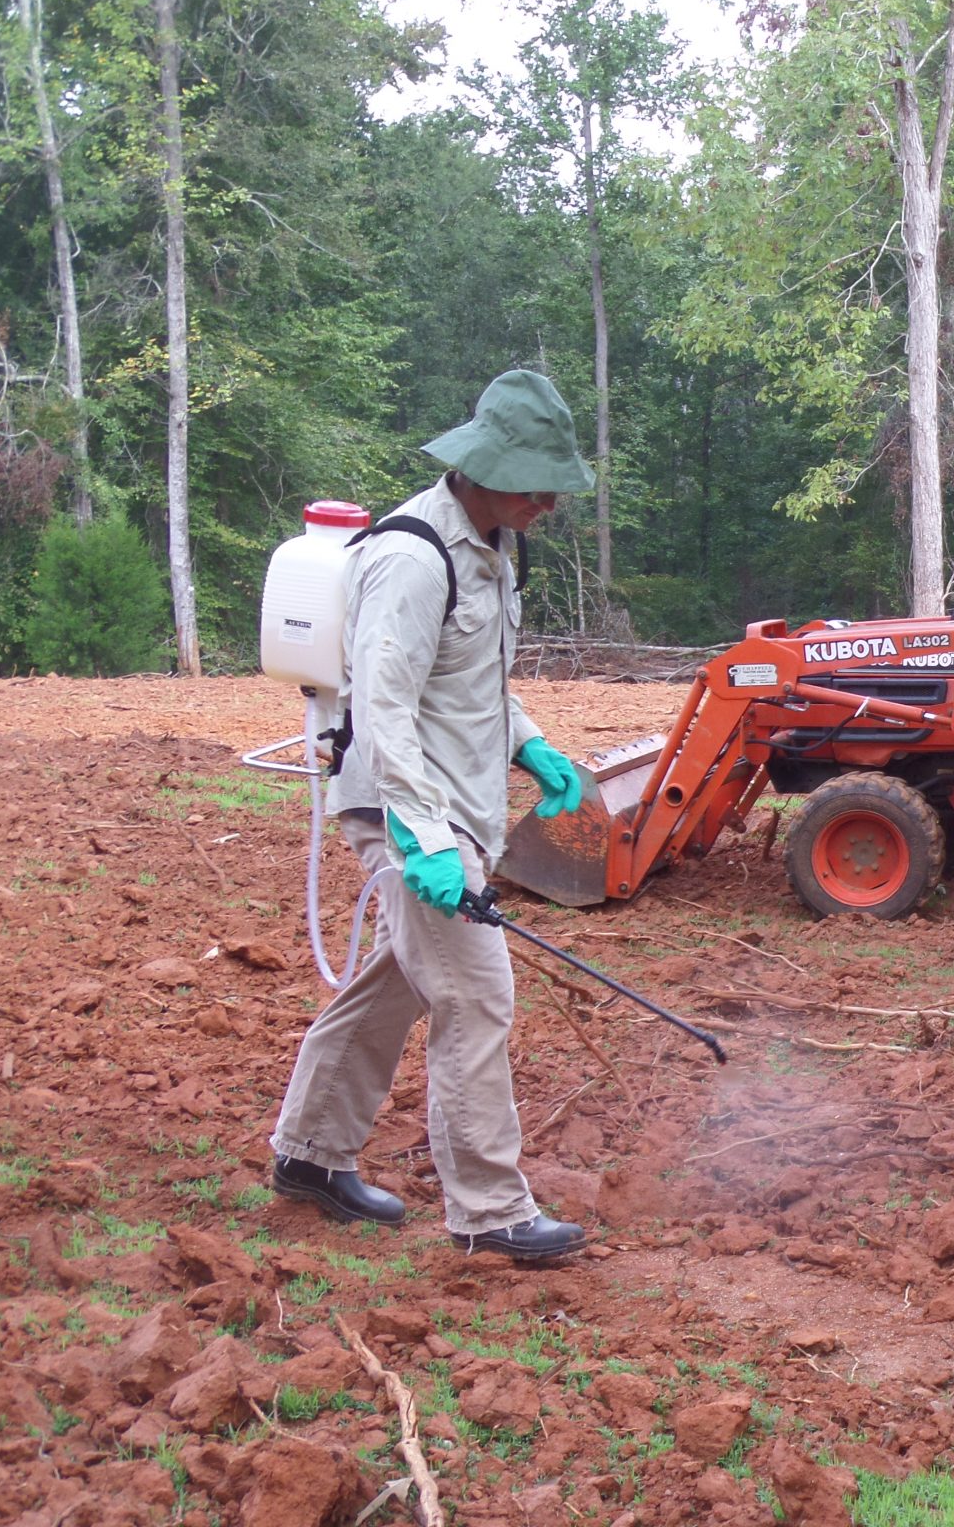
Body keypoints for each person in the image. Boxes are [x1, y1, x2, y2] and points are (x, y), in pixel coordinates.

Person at [268, 370, 593, 1262]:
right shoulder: (414, 559)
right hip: (411, 812)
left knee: (407, 979)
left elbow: (468, 680)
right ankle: (491, 1212)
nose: (549, 502)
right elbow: (383, 709)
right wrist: (421, 835)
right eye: (536, 483)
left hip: (454, 808)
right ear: (484, 468)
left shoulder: (491, 543)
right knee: (478, 996)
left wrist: (527, 743)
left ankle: (308, 1153)